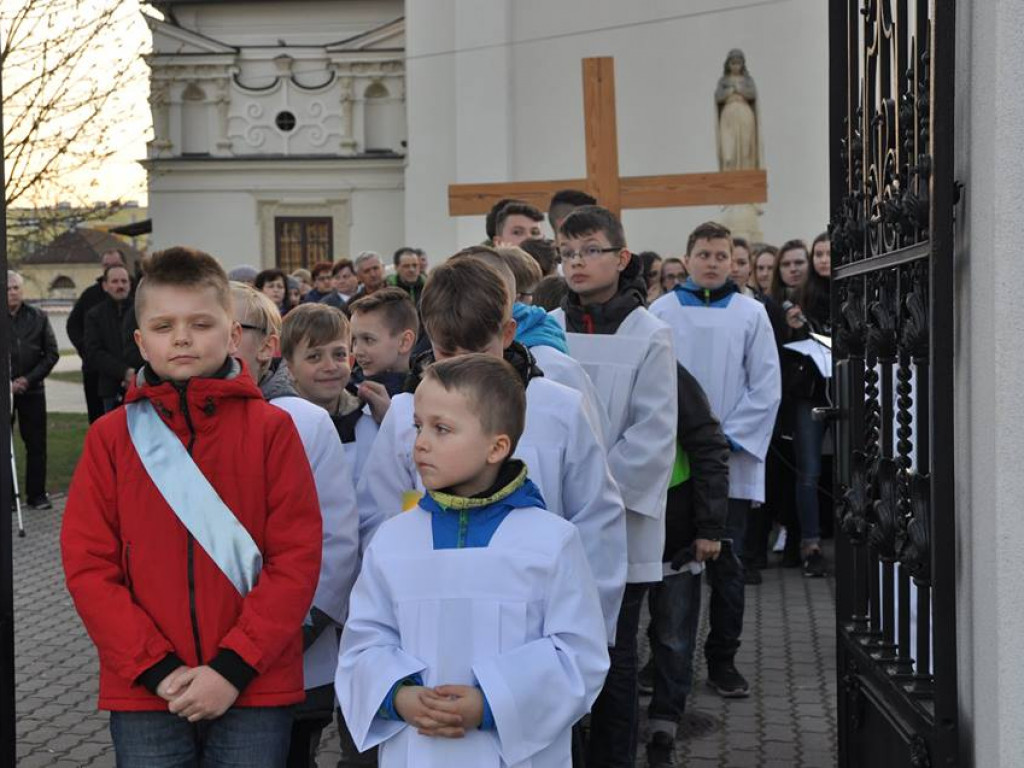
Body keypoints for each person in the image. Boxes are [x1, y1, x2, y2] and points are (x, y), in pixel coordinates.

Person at [60, 247, 323, 767]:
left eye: (200, 323)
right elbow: (89, 566)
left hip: (251, 683)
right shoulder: (110, 439)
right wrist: (156, 669)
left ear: (231, 335)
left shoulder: (273, 432)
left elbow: (296, 558)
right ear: (140, 341)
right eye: (163, 326)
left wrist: (232, 668)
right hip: (145, 687)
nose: (181, 337)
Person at [336, 354, 610, 768]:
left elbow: (578, 657)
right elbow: (364, 641)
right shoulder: (393, 541)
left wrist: (492, 703)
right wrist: (397, 696)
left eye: (441, 429)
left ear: (497, 446)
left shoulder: (550, 541)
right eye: (418, 426)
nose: (421, 443)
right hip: (417, 748)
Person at [356, 257, 627, 644]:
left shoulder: (558, 408)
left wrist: (582, 635)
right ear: (427, 339)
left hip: (536, 625)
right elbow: (379, 522)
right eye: (448, 353)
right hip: (429, 622)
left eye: (479, 352)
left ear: (507, 333)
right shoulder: (405, 416)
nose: (466, 370)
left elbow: (596, 523)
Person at [551, 206, 678, 768]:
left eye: (590, 250)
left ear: (621, 258)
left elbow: (653, 436)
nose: (577, 262)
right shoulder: (548, 330)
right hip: (556, 521)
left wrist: (590, 497)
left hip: (618, 523)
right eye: (568, 252)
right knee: (559, 648)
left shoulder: (650, 334)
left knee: (615, 650)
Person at [230, 284, 360, 768]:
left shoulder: (301, 421)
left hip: (291, 648)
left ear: (267, 347)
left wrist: (295, 632)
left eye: (230, 329)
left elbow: (336, 541)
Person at [650, 222, 780, 699]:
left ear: (733, 261)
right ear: (686, 260)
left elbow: (766, 385)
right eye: (703, 253)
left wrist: (722, 442)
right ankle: (662, 658)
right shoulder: (660, 312)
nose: (711, 262)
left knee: (728, 568)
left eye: (720, 255)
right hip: (675, 464)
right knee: (668, 567)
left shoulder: (751, 314)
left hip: (731, 460)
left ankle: (722, 659)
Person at [642, 363, 730, 768]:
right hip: (615, 529)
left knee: (674, 635)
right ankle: (614, 727)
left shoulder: (670, 374)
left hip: (672, 531)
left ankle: (664, 724)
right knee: (615, 642)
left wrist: (710, 527)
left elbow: (709, 444)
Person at [769, 238, 831, 577]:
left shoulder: (857, 287)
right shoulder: (798, 299)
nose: (823, 260)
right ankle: (811, 544)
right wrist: (792, 329)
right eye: (818, 254)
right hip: (809, 393)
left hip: (848, 389)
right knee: (808, 470)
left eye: (827, 254)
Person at [282, 304, 378, 482]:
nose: (330, 367)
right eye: (314, 357)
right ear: (289, 368)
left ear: (351, 359)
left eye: (339, 354)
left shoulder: (368, 416)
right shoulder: (281, 425)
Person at [8, 270, 59, 509]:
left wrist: (27, 380)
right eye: (7, 288)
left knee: (36, 444)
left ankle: (37, 495)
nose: (12, 292)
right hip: (5, 391)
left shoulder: (38, 316)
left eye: (16, 287)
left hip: (33, 389)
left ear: (22, 290)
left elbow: (51, 354)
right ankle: (7, 497)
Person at [67, 248, 128, 423]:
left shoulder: (133, 297)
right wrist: (87, 352)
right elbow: (73, 326)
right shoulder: (90, 296)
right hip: (96, 370)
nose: (119, 284)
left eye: (115, 264)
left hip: (129, 373)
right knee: (98, 419)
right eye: (106, 265)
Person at [349, 287, 419, 426]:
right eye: (354, 340)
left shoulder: (428, 396)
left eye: (368, 339)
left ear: (404, 342)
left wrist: (390, 421)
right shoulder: (350, 393)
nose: (357, 351)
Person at [83, 264, 135, 413]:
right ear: (105, 286)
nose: (120, 286)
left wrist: (136, 373)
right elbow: (93, 352)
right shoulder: (94, 315)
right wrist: (124, 372)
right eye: (115, 281)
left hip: (142, 386)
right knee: (115, 435)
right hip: (110, 388)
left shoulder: (142, 312)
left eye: (124, 281)